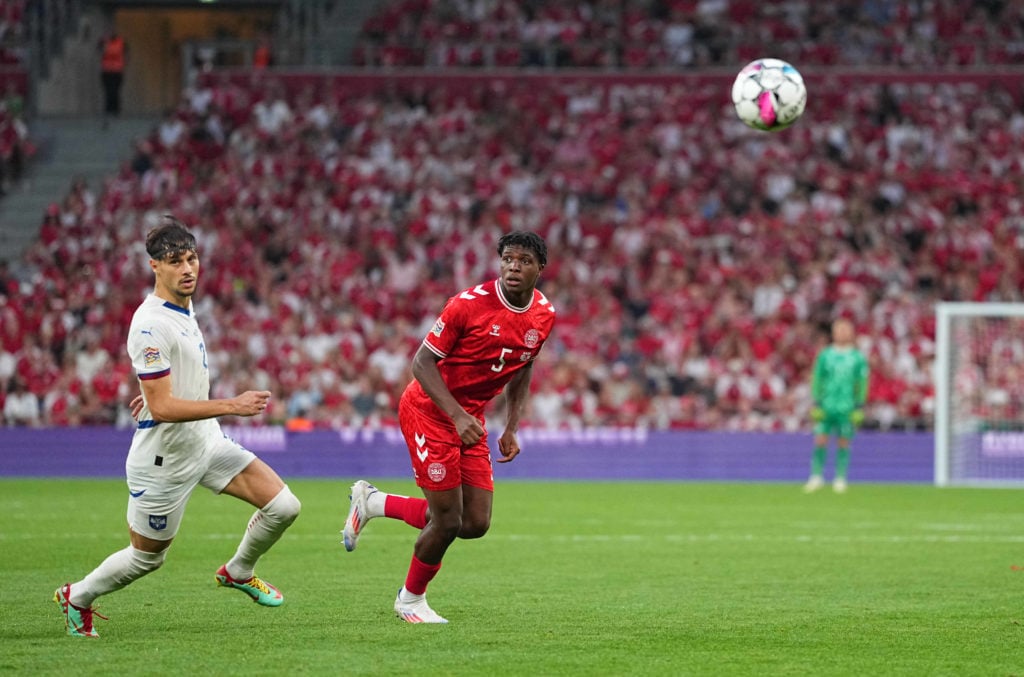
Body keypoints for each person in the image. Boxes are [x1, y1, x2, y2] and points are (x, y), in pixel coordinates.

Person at [54, 216, 301, 638]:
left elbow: (167, 386)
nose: (188, 269)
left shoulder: (184, 305)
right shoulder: (150, 323)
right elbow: (164, 406)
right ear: (155, 267)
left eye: (191, 258)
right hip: (164, 460)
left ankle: (238, 571)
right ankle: (77, 596)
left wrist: (154, 393)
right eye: (175, 261)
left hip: (204, 442)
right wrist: (231, 405)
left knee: (284, 507)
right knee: (147, 559)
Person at [342, 230, 556, 624]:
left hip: (468, 418)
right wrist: (457, 416)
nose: (514, 266)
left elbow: (523, 367)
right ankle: (410, 601)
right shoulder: (467, 306)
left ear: (540, 269)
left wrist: (511, 426)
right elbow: (421, 363)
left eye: (524, 260)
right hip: (430, 411)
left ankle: (373, 503)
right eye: (508, 258)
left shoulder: (544, 315)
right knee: (447, 521)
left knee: (474, 523)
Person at [803, 317, 870, 493]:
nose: (841, 333)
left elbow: (861, 382)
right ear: (833, 333)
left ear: (851, 333)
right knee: (820, 439)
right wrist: (816, 400)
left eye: (845, 329)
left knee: (844, 442)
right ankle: (816, 476)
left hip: (847, 406)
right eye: (838, 329)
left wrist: (859, 405)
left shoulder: (857, 358)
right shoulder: (825, 355)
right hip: (826, 404)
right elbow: (817, 378)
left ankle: (840, 478)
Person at [99, 32, 126, 127]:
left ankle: (115, 110)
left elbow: (125, 53)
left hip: (116, 71)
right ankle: (109, 110)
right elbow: (99, 49)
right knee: (109, 91)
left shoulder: (121, 42)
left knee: (115, 91)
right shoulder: (104, 41)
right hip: (107, 71)